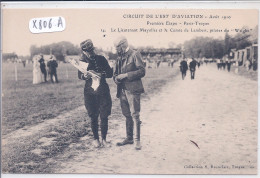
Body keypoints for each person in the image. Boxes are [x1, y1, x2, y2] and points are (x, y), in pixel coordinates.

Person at [78, 39, 113, 148]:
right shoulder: (82, 61)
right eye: (86, 51)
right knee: (93, 115)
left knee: (104, 115)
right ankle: (96, 139)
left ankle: (104, 139)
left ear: (93, 49)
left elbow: (110, 73)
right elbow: (79, 75)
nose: (89, 53)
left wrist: (100, 73)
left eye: (90, 50)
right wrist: (84, 76)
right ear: (83, 51)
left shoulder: (101, 59)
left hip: (102, 90)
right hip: (90, 92)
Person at [113, 36, 145, 150]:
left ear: (123, 45)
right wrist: (116, 78)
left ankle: (137, 141)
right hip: (122, 90)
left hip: (133, 90)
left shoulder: (135, 54)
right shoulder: (119, 57)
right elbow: (115, 74)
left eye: (117, 47)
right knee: (127, 115)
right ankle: (129, 138)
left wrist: (126, 75)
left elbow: (142, 71)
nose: (116, 50)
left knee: (135, 115)